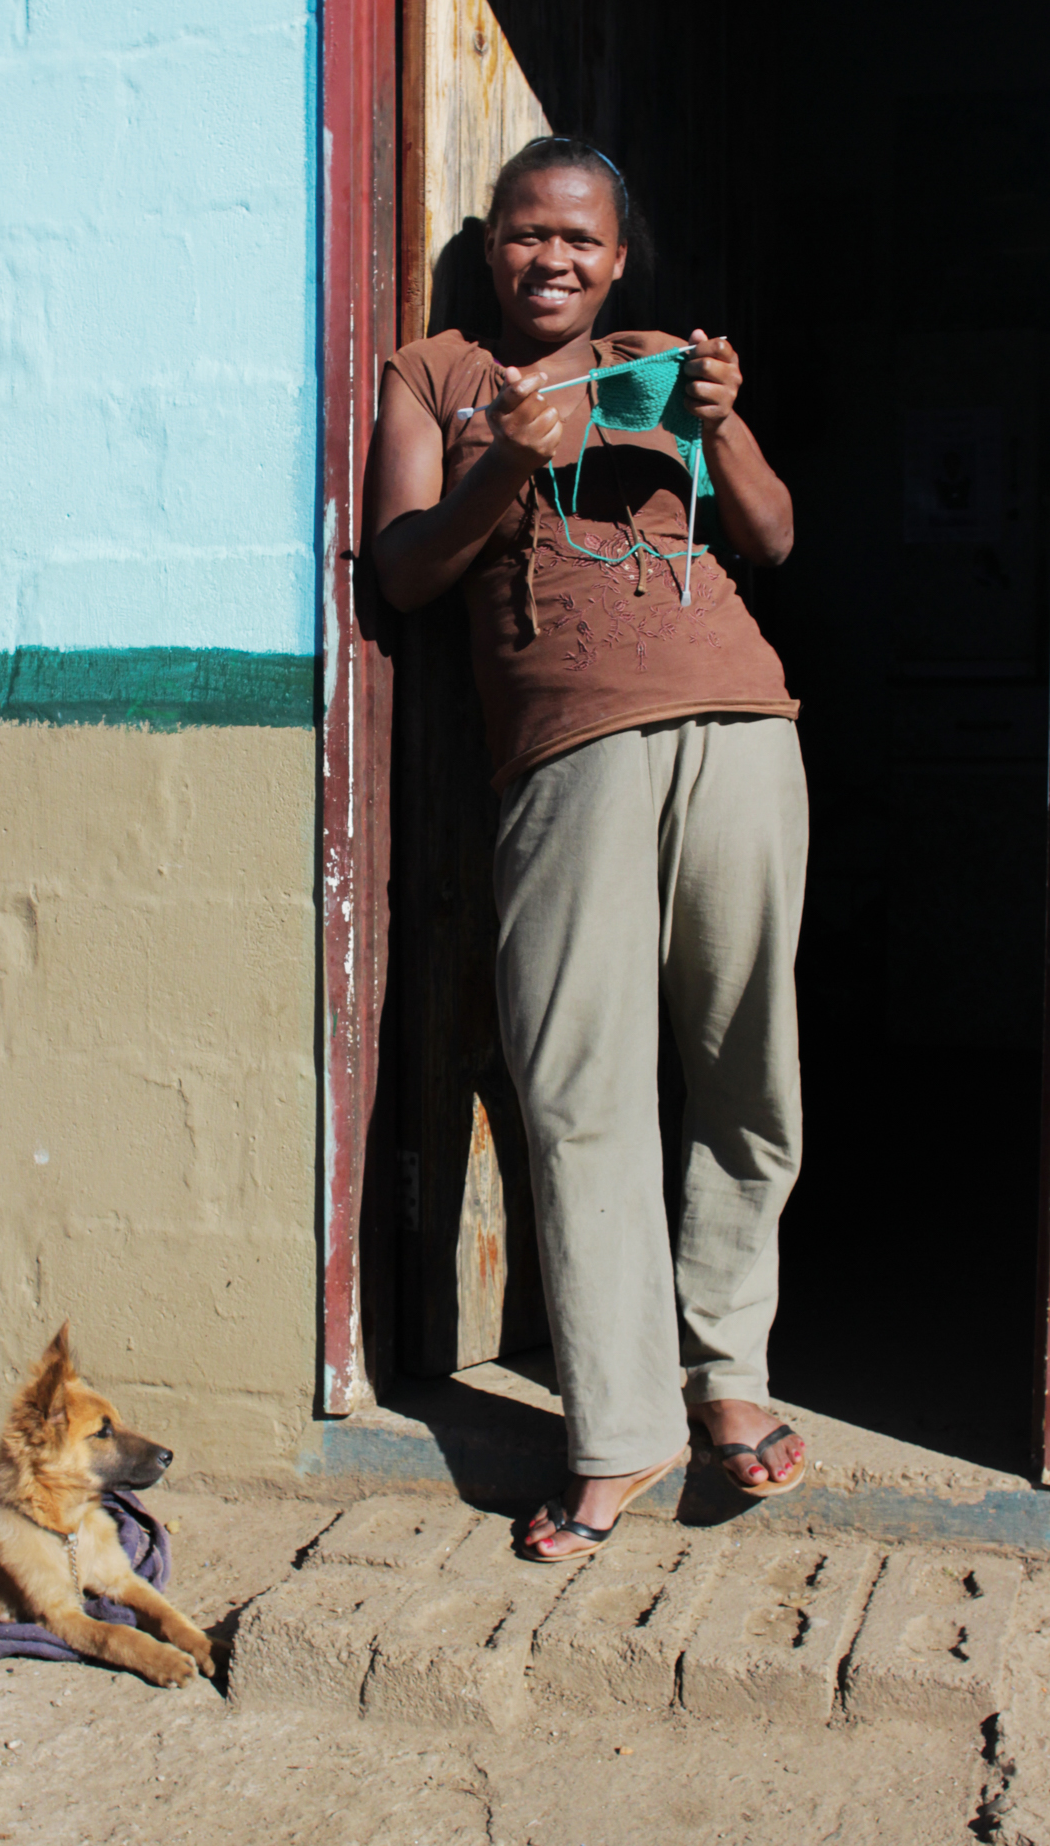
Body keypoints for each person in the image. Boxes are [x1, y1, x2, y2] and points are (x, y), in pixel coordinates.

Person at [367, 136, 808, 1560]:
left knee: (747, 1065)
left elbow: (777, 538)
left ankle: (727, 1378)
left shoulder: (668, 360)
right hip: (562, 758)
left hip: (739, 724)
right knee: (576, 1087)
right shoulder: (435, 375)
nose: (548, 258)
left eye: (577, 239)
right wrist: (504, 466)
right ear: (489, 246)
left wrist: (724, 422)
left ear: (617, 257)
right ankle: (616, 1429)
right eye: (522, 233)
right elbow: (401, 566)